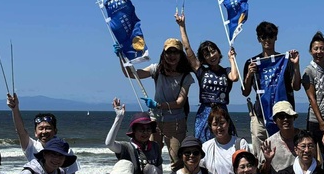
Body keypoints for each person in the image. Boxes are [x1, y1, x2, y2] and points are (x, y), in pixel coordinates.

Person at [118, 37, 195, 164]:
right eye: (168, 52)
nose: (172, 56)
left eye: (175, 52)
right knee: (151, 158)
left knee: (177, 160)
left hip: (176, 122)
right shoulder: (157, 69)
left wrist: (158, 105)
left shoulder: (186, 76)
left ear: (181, 54)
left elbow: (180, 102)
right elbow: (131, 74)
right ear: (163, 54)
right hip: (155, 121)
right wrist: (121, 57)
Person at [176, 12, 240, 143]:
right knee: (202, 144)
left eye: (213, 51)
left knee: (226, 141)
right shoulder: (201, 71)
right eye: (207, 54)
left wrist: (232, 59)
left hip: (222, 110)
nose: (211, 56)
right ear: (203, 59)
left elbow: (234, 77)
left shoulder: (226, 71)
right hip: (205, 111)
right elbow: (188, 49)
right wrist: (182, 26)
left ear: (218, 51)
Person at [241, 21, 302, 158]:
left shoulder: (285, 60)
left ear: (276, 37)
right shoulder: (252, 62)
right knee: (260, 152)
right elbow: (245, 91)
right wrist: (249, 74)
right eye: (263, 37)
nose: (267, 40)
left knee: (283, 149)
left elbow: (296, 86)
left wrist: (296, 66)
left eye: (270, 36)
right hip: (260, 113)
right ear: (259, 39)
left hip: (282, 114)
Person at [6, 95, 82, 174]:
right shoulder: (31, 146)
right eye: (40, 128)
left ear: (55, 131)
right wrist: (15, 110)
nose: (44, 132)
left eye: (48, 128)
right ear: (35, 132)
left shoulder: (66, 150)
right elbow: (21, 131)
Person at [105, 101, 164, 174]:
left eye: (148, 129)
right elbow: (109, 143)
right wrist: (119, 117)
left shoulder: (155, 147)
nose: (145, 133)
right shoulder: (127, 148)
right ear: (134, 131)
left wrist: (153, 171)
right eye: (141, 129)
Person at [258, 101, 299, 174]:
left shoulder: (305, 139)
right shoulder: (269, 144)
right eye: (281, 116)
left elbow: (317, 163)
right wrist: (268, 161)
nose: (286, 119)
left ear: (294, 117)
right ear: (275, 120)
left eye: (289, 116)